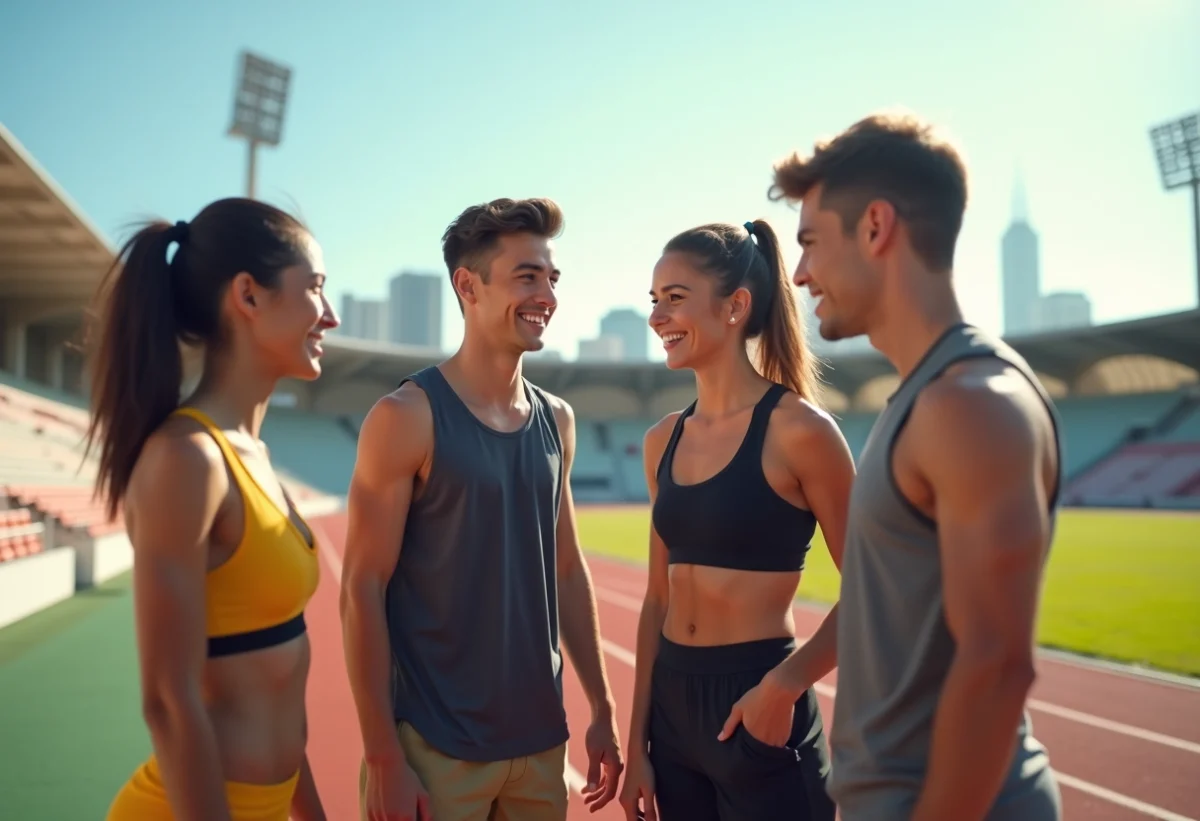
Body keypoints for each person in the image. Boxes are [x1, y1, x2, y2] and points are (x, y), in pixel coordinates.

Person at [769, 111, 1064, 821]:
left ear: (875, 227)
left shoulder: (969, 404)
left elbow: (995, 666)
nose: (801, 272)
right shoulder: (930, 394)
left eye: (809, 242)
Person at [340, 197, 623, 821]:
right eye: (527, 276)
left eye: (552, 278)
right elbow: (362, 586)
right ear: (468, 286)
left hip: (541, 745)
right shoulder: (405, 417)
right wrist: (384, 756)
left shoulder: (559, 420)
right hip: (435, 749)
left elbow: (569, 573)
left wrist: (601, 707)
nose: (546, 294)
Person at [85, 197, 338, 821]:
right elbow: (168, 703)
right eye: (315, 289)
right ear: (248, 296)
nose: (329, 316)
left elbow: (275, 686)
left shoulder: (252, 453)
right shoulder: (188, 460)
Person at [617, 219, 856, 821]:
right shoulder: (661, 441)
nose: (656, 317)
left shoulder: (802, 432)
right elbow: (655, 600)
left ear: (736, 306)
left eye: (675, 299)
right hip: (671, 713)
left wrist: (784, 687)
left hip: (758, 703)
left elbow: (878, 588)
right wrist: (637, 743)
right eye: (654, 301)